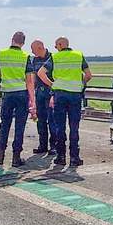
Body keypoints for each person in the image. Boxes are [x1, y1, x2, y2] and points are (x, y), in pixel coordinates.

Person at [37, 36, 91, 168]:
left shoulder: (55, 58)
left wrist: (52, 84)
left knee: (59, 126)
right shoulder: (79, 55)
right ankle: (74, 157)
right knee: (74, 127)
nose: (55, 48)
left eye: (56, 46)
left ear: (61, 45)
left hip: (59, 95)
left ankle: (61, 156)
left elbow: (40, 73)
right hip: (75, 96)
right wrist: (81, 84)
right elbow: (89, 75)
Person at [0, 31, 31, 167]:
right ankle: (16, 158)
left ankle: (0, 155)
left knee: (4, 124)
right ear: (23, 43)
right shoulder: (25, 56)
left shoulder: (1, 54)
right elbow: (29, 80)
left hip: (7, 93)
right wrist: (32, 100)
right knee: (19, 126)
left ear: (12, 40)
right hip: (21, 93)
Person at [28, 39, 54, 155]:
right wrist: (32, 95)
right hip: (39, 93)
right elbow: (33, 77)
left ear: (40, 47)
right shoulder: (35, 60)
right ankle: (42, 145)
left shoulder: (52, 58)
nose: (32, 52)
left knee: (53, 121)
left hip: (50, 93)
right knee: (40, 120)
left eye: (33, 49)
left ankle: (54, 146)